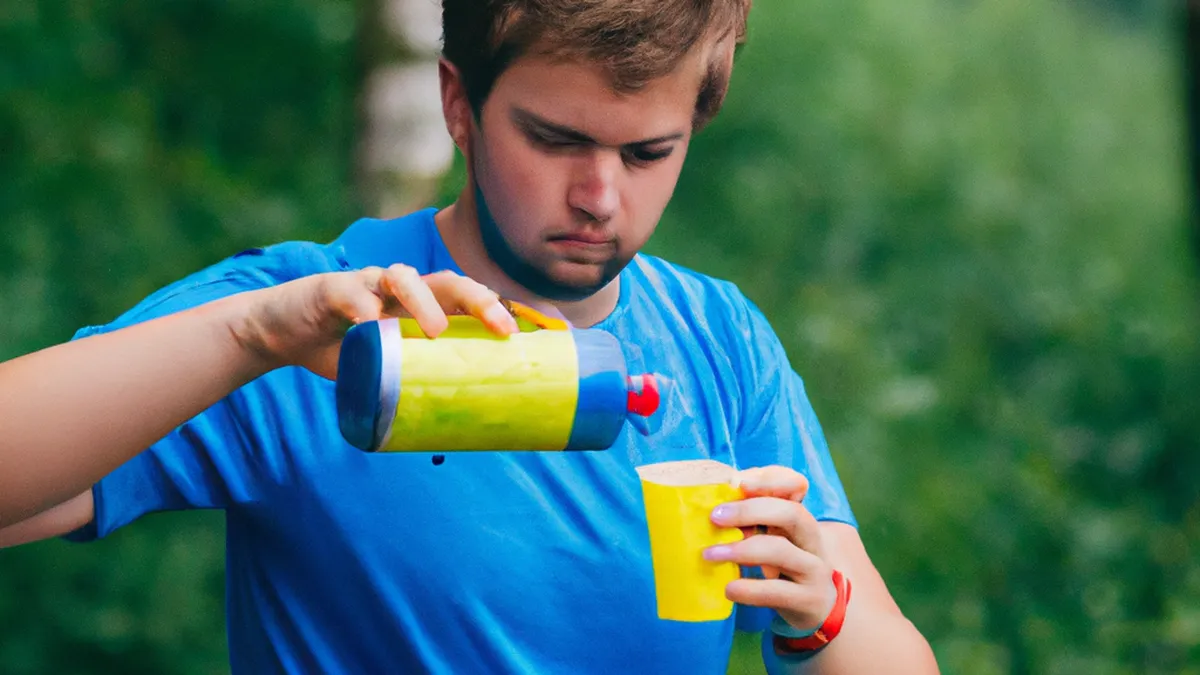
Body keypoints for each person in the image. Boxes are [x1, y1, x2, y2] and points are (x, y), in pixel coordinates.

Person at [0, 1, 940, 673]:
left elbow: (889, 648)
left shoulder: (719, 340)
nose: (601, 197)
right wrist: (251, 335)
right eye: (557, 139)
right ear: (459, 105)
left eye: (647, 153)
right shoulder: (313, 321)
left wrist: (821, 616)